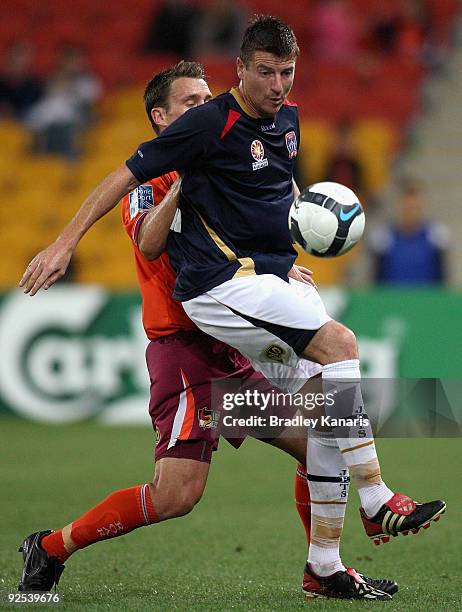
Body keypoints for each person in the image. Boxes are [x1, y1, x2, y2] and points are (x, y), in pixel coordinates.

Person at [19, 16, 445, 600]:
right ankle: (50, 546)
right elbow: (148, 242)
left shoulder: (230, 146)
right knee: (177, 496)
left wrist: (280, 252)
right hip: (187, 352)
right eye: (189, 102)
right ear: (163, 120)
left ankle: (325, 567)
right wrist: (179, 184)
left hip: (236, 345)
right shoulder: (162, 176)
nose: (204, 106)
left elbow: (262, 199)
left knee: (325, 431)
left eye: (205, 97)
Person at [368, 178, 449, 285]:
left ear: (422, 207)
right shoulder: (384, 237)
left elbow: (442, 280)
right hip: (391, 300)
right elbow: (377, 280)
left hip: (426, 300)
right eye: (408, 208)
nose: (412, 212)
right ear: (399, 206)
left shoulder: (435, 236)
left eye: (415, 208)